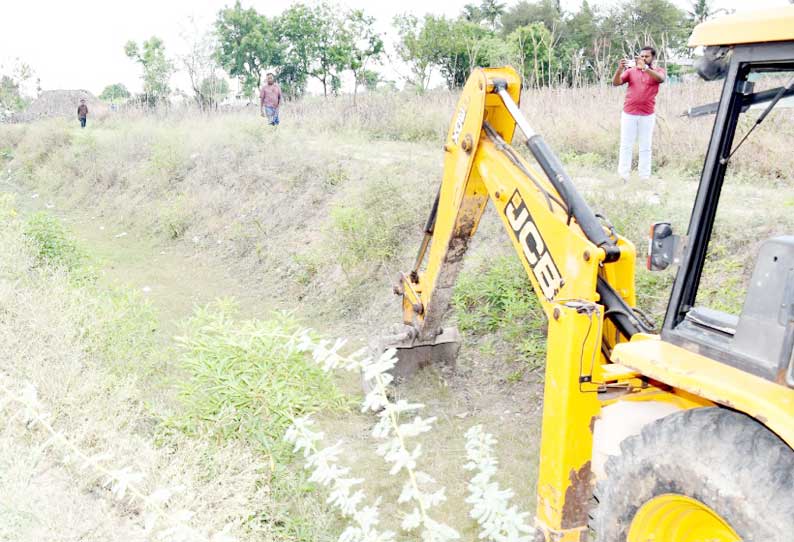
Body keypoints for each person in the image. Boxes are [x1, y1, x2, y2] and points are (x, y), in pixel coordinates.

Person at [612, 46, 666, 181]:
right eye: (641, 56)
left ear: (652, 58)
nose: (642, 59)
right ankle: (623, 176)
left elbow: (661, 79)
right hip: (629, 113)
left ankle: (644, 177)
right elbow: (616, 83)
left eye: (646, 56)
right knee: (626, 144)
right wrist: (619, 69)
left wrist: (645, 69)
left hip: (647, 114)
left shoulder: (657, 71)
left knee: (645, 146)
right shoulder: (631, 71)